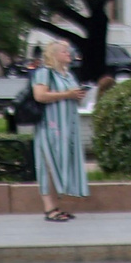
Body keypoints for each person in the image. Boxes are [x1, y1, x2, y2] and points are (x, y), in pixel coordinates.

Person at [30, 39, 89, 222]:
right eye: (65, 52)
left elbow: (72, 97)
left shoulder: (68, 75)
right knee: (48, 166)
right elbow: (39, 96)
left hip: (67, 129)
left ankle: (57, 206)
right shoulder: (44, 73)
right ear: (54, 55)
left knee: (61, 165)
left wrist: (77, 96)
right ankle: (49, 209)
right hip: (50, 127)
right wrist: (67, 95)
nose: (69, 54)